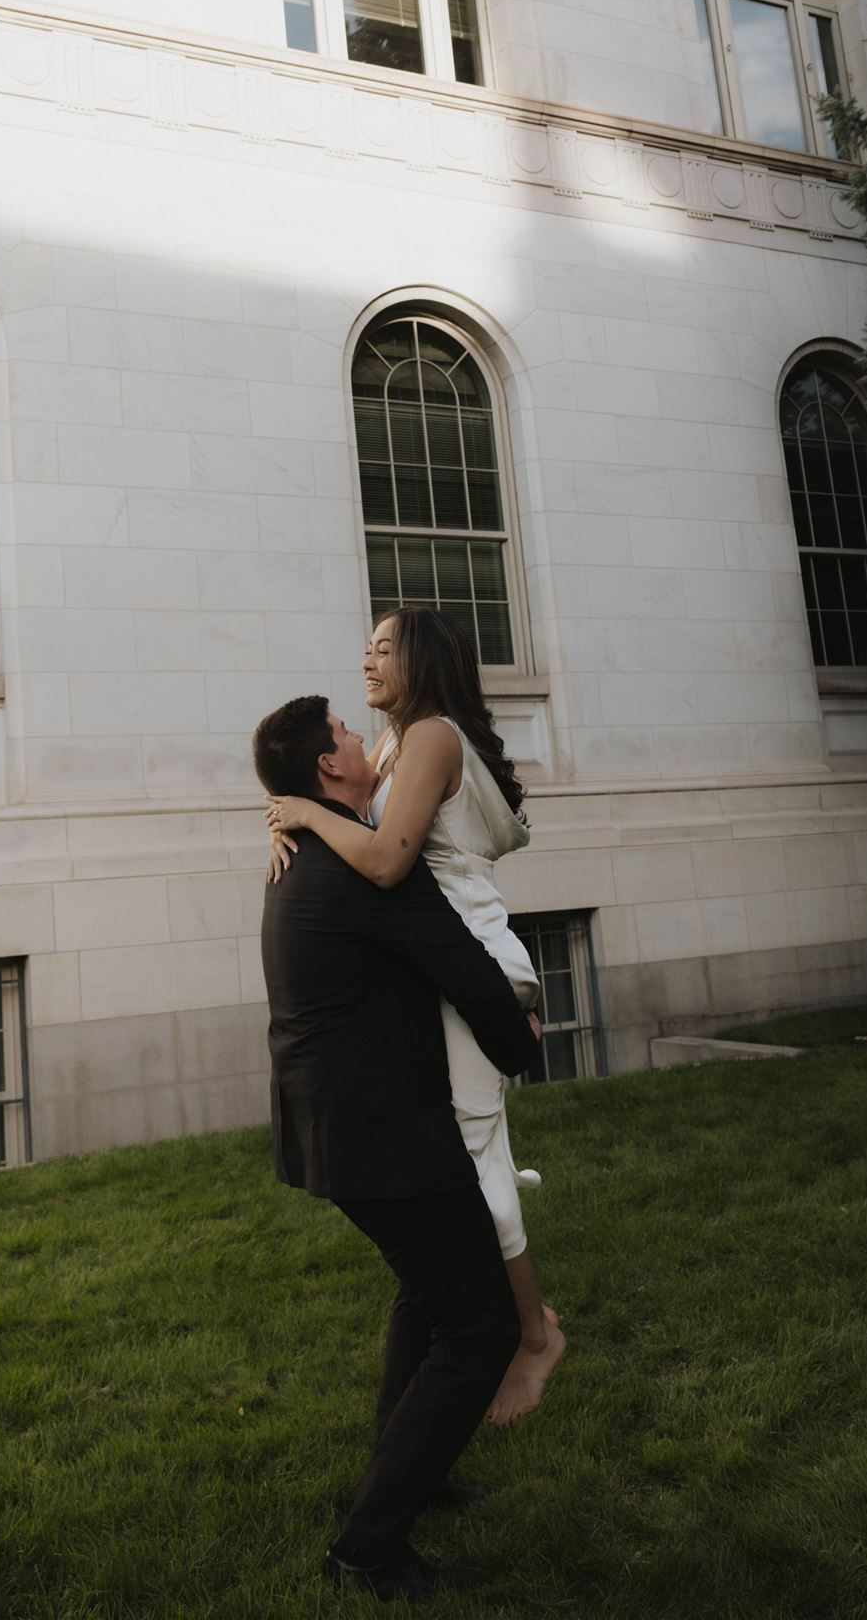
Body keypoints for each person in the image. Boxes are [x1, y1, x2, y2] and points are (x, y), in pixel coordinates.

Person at [254, 694, 543, 1604]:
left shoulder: (307, 849)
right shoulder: (367, 869)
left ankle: (414, 1473)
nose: (358, 735)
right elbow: (458, 960)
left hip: (346, 1126)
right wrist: (523, 1045)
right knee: (481, 1326)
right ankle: (366, 1550)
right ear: (328, 769)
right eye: (342, 731)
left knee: (428, 1297)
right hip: (382, 1134)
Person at [266, 608, 566, 1428]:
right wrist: (288, 813)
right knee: (468, 1160)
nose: (366, 657)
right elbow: (360, 824)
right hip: (440, 962)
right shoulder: (399, 739)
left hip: (470, 963)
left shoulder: (430, 735)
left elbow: (391, 860)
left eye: (383, 647)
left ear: (422, 660)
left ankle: (531, 1338)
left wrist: (306, 814)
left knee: (471, 1165)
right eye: (363, 644)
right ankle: (485, 1328)